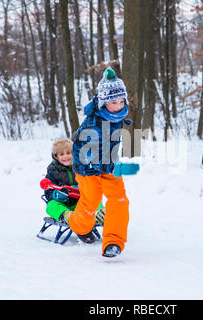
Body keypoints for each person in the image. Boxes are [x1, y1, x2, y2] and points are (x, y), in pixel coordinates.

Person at [71, 67, 140, 258]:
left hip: (108, 166)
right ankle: (78, 225)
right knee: (90, 203)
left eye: (121, 101)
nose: (118, 106)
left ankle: (113, 242)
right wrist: (116, 166)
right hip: (87, 169)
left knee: (119, 200)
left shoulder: (116, 117)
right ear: (103, 103)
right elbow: (91, 155)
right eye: (113, 102)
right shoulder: (92, 124)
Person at [43, 139, 104, 226]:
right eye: (61, 154)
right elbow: (48, 192)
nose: (65, 156)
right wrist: (55, 195)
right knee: (51, 206)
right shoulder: (52, 172)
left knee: (94, 200)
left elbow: (89, 183)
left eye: (68, 153)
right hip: (64, 205)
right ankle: (66, 216)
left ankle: (98, 214)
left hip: (79, 203)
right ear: (56, 156)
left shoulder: (80, 168)